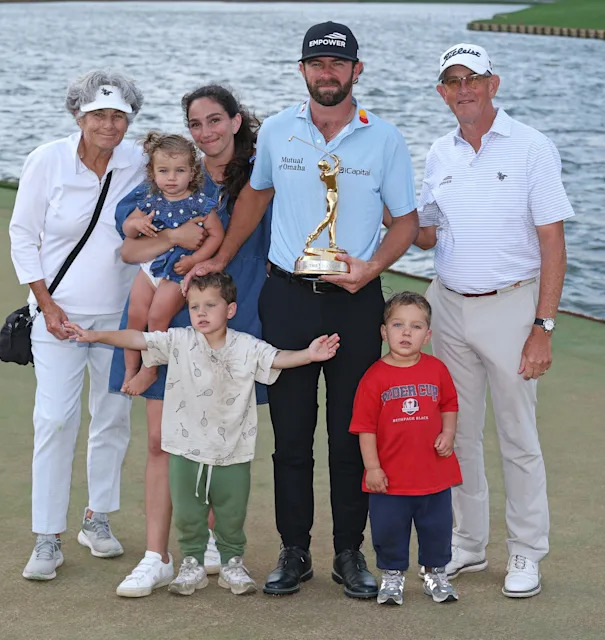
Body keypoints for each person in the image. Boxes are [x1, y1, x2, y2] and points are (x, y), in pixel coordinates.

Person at [185, 22, 419, 599]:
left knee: (350, 432)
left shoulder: (384, 139)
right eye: (317, 64)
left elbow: (407, 221)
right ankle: (293, 551)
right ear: (303, 71)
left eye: (338, 65)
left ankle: (347, 552)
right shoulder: (279, 133)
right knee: (291, 435)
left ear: (357, 71)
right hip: (287, 297)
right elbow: (257, 195)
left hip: (356, 299)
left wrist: (370, 267)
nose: (328, 73)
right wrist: (222, 255)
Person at [391, 42, 574, 598]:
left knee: (518, 436)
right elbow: (426, 231)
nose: (464, 89)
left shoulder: (532, 147)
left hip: (513, 308)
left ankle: (525, 552)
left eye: (474, 78)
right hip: (447, 303)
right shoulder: (441, 151)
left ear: (494, 84)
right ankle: (469, 543)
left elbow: (553, 243)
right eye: (453, 81)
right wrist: (380, 206)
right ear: (442, 93)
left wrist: (543, 328)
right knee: (456, 433)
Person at [65, 273, 341, 596]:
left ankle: (232, 564)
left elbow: (277, 358)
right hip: (186, 450)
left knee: (231, 513)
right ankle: (192, 564)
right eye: (195, 306)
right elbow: (139, 339)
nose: (201, 313)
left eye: (210, 305)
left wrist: (309, 354)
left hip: (232, 451)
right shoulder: (179, 341)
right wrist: (94, 334)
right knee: (188, 514)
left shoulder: (246, 347)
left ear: (231, 309)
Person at [107, 85, 273, 597]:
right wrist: (173, 239)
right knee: (161, 443)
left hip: (233, 330)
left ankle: (209, 547)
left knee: (216, 445)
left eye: (215, 120)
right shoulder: (174, 176)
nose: (206, 132)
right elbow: (131, 247)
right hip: (168, 327)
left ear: (237, 121)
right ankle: (157, 555)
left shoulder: (264, 176)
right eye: (196, 123)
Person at [8, 69, 147, 581]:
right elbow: (23, 235)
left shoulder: (139, 161)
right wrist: (46, 304)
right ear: (78, 115)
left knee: (112, 418)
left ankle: (98, 518)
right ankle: (47, 537)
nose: (109, 125)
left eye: (119, 116)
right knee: (55, 419)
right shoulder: (47, 160)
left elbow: (179, 190)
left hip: (119, 316)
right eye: (98, 115)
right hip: (58, 316)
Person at [349, 292, 461, 606]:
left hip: (433, 475)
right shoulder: (374, 377)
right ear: (384, 332)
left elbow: (450, 404)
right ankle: (392, 576)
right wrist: (372, 467)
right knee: (388, 530)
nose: (406, 332)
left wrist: (448, 432)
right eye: (398, 324)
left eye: (415, 326)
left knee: (437, 529)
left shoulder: (437, 370)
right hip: (390, 480)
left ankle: (436, 574)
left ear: (427, 335)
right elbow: (365, 427)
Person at [120, 133, 222, 396]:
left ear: (192, 172)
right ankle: (130, 369)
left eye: (180, 171)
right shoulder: (151, 200)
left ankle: (150, 368)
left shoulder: (199, 203)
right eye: (164, 171)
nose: (172, 178)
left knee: (156, 317)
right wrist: (136, 225)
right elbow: (128, 228)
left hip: (178, 271)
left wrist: (196, 260)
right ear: (153, 174)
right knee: (135, 316)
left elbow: (216, 235)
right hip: (150, 266)